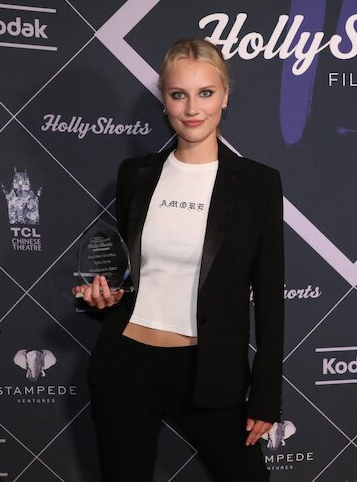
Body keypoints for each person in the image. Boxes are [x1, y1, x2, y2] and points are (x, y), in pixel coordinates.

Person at [73, 38, 284, 482]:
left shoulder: (258, 185)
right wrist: (105, 297)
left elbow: (270, 299)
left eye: (205, 93)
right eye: (178, 94)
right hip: (126, 366)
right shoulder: (138, 174)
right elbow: (132, 275)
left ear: (225, 95)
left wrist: (265, 394)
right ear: (164, 100)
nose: (192, 108)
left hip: (210, 373)